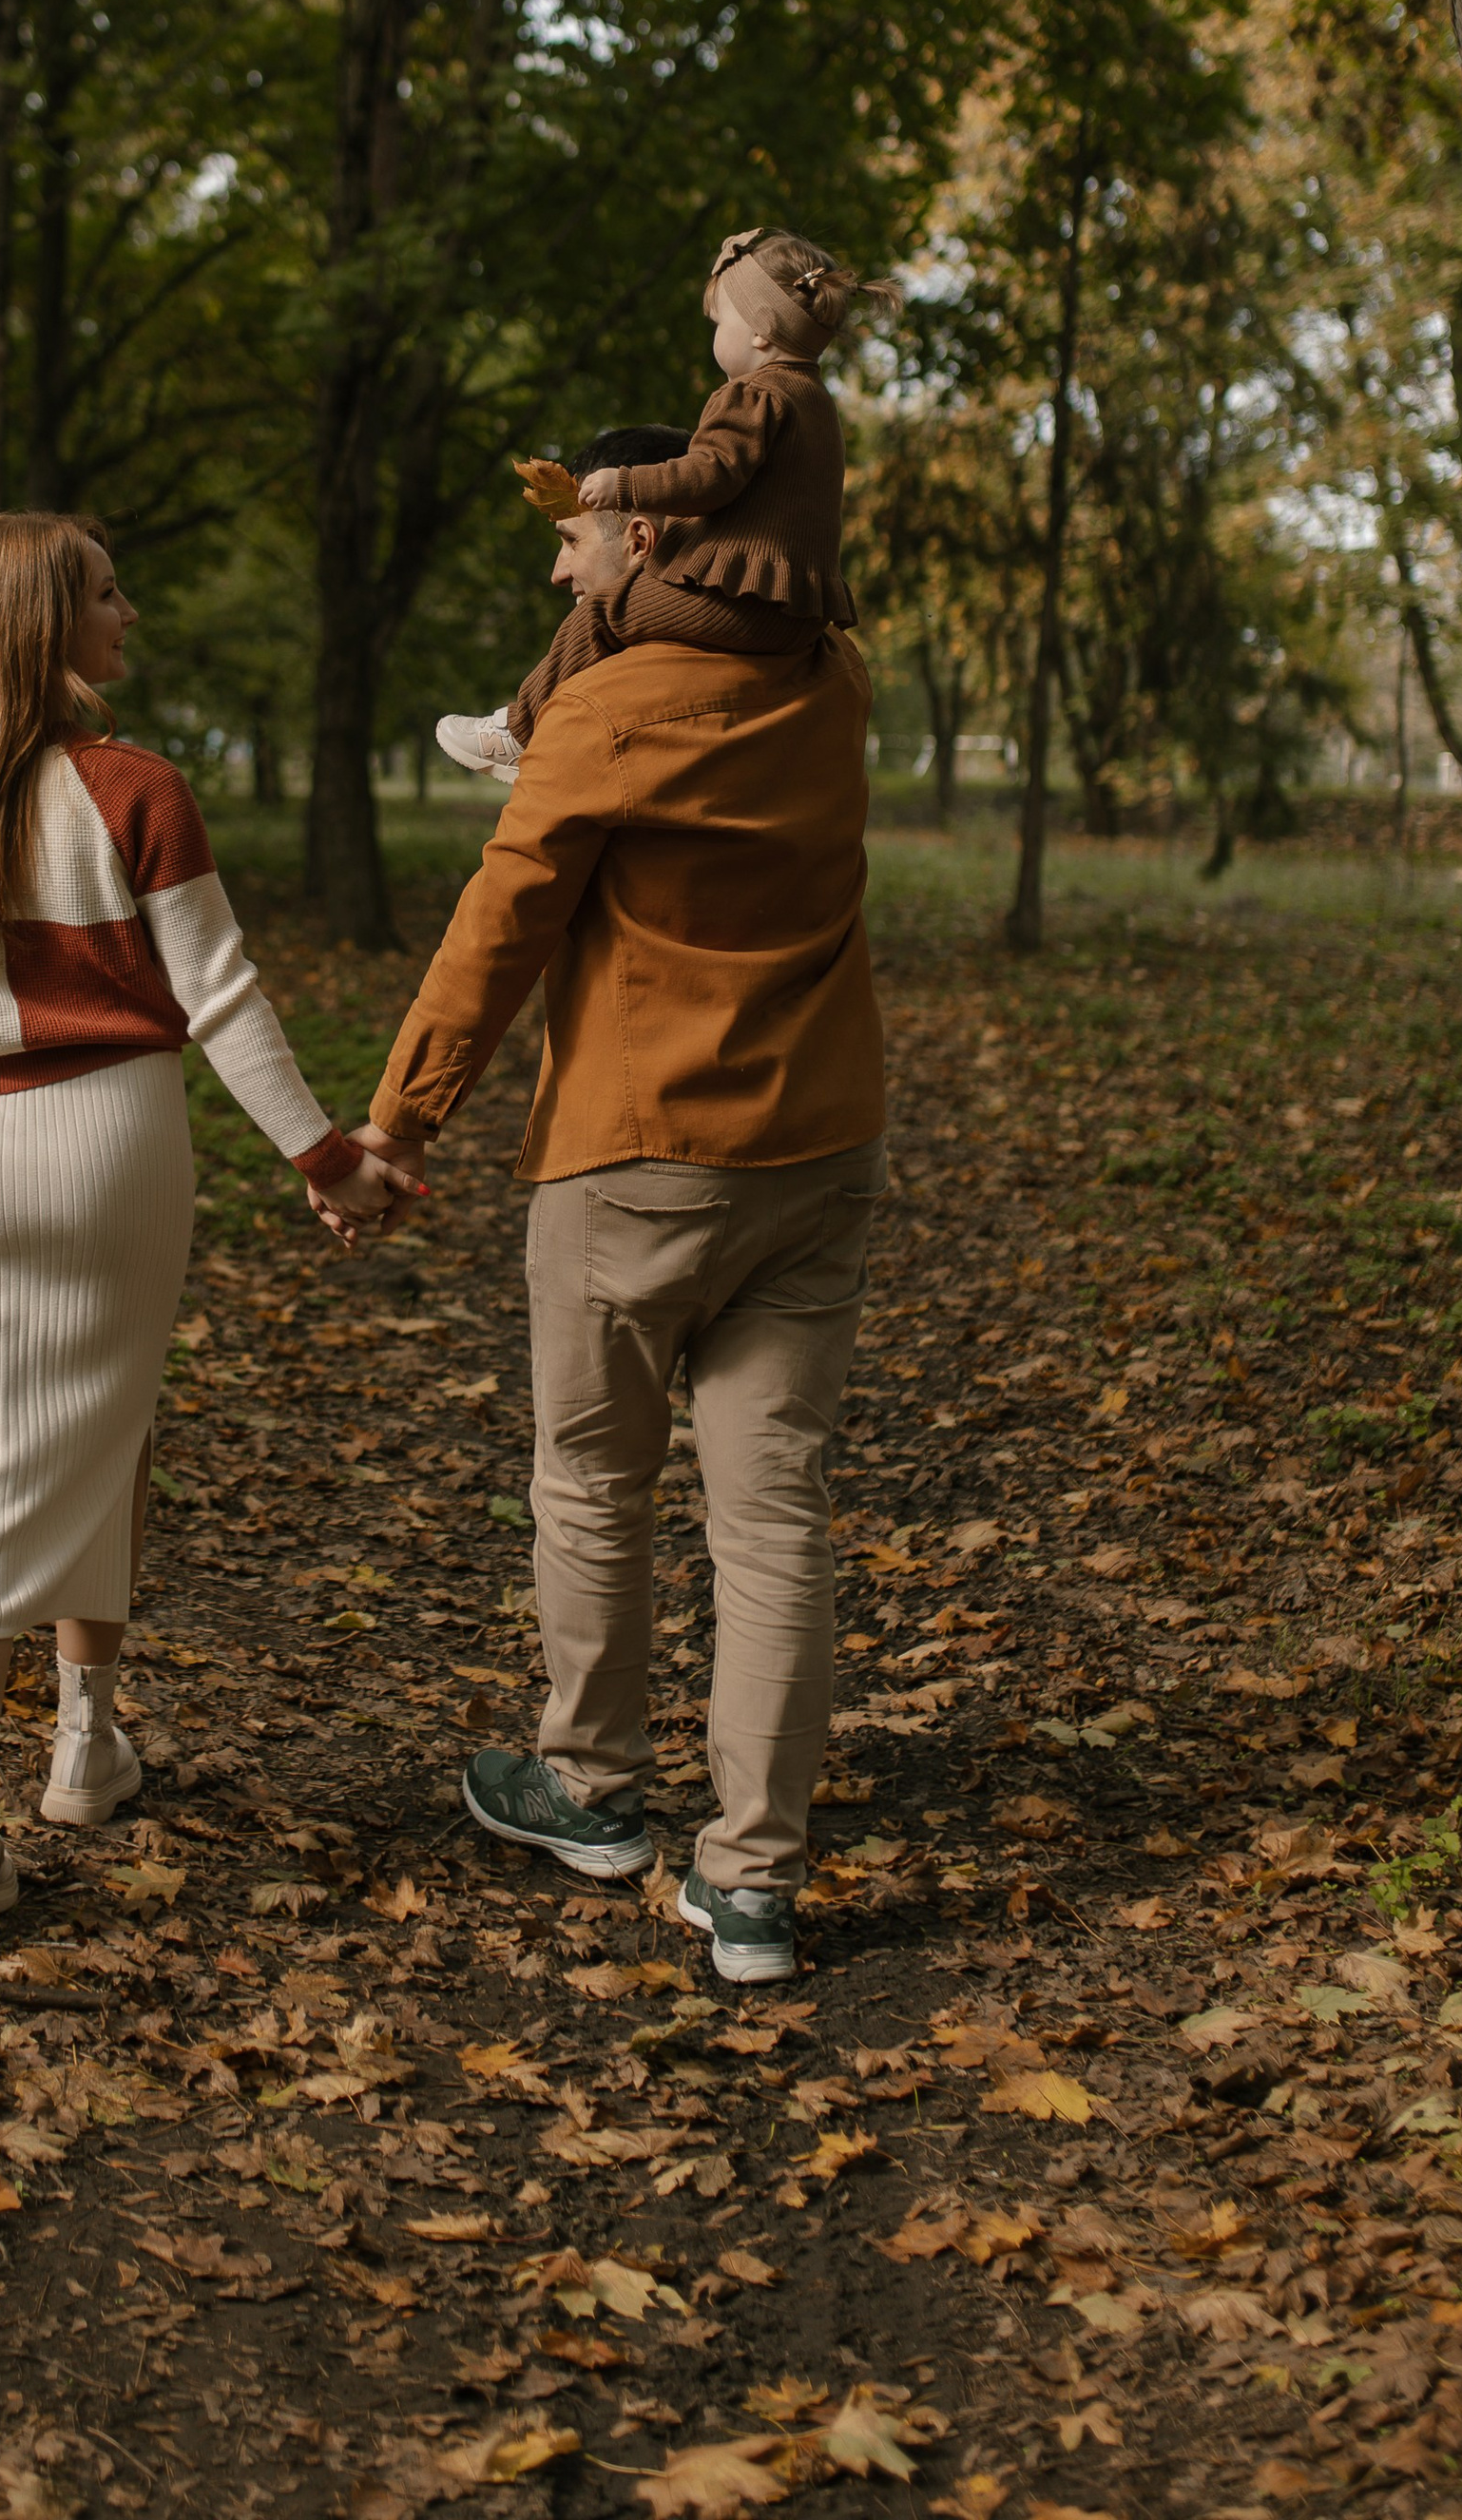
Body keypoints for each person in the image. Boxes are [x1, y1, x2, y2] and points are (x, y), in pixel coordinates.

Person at [0, 512, 414, 1932]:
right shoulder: (136, 789)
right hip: (111, 1143)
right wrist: (324, 1159)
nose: (126, 614)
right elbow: (221, 1000)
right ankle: (84, 1741)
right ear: (40, 625)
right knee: (108, 1422)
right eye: (103, 594)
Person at [340, 484, 884, 1986]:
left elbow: (503, 917)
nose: (557, 563)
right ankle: (755, 1886)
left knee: (592, 1481)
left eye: (575, 536)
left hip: (634, 1149)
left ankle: (589, 1787)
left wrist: (400, 1124)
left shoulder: (610, 705)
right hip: (819, 1145)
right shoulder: (834, 680)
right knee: (773, 1513)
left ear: (646, 542)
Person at [435, 224, 861, 780]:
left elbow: (711, 474)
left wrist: (627, 485)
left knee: (603, 615)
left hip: (750, 603)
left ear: (760, 332)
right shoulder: (817, 403)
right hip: (800, 608)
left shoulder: (753, 395)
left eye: (720, 323)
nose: (715, 337)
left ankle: (518, 732)